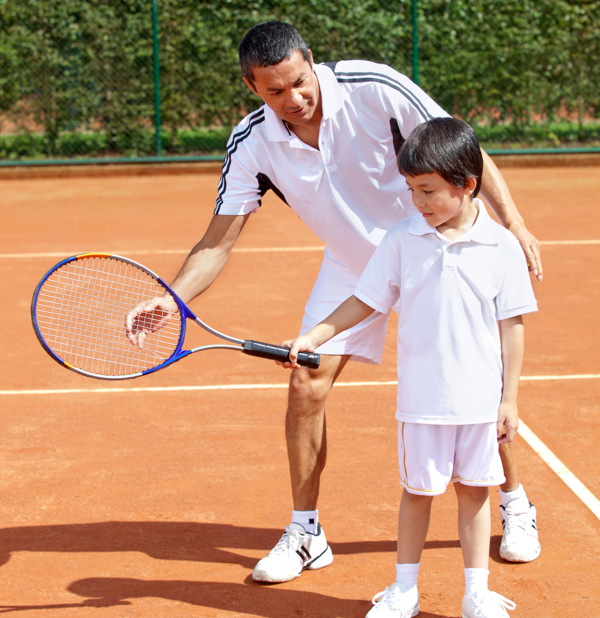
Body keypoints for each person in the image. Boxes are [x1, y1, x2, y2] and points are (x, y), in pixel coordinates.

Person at [125, 21, 542, 584]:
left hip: (437, 240)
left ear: (310, 61)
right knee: (306, 381)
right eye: (274, 91)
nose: (293, 99)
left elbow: (461, 144)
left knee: (478, 383)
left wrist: (513, 222)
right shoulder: (252, 143)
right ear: (252, 88)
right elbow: (220, 237)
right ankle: (306, 532)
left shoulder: (375, 87)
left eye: (299, 82)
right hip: (354, 262)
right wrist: (171, 298)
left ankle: (514, 503)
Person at [282, 117, 535, 618]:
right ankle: (404, 590)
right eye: (411, 190)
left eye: (428, 191)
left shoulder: (502, 246)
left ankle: (476, 593)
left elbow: (513, 327)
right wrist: (314, 334)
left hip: (479, 402)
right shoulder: (402, 238)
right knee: (417, 495)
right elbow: (364, 300)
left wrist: (508, 401)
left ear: (467, 185)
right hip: (421, 402)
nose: (417, 202)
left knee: (475, 494)